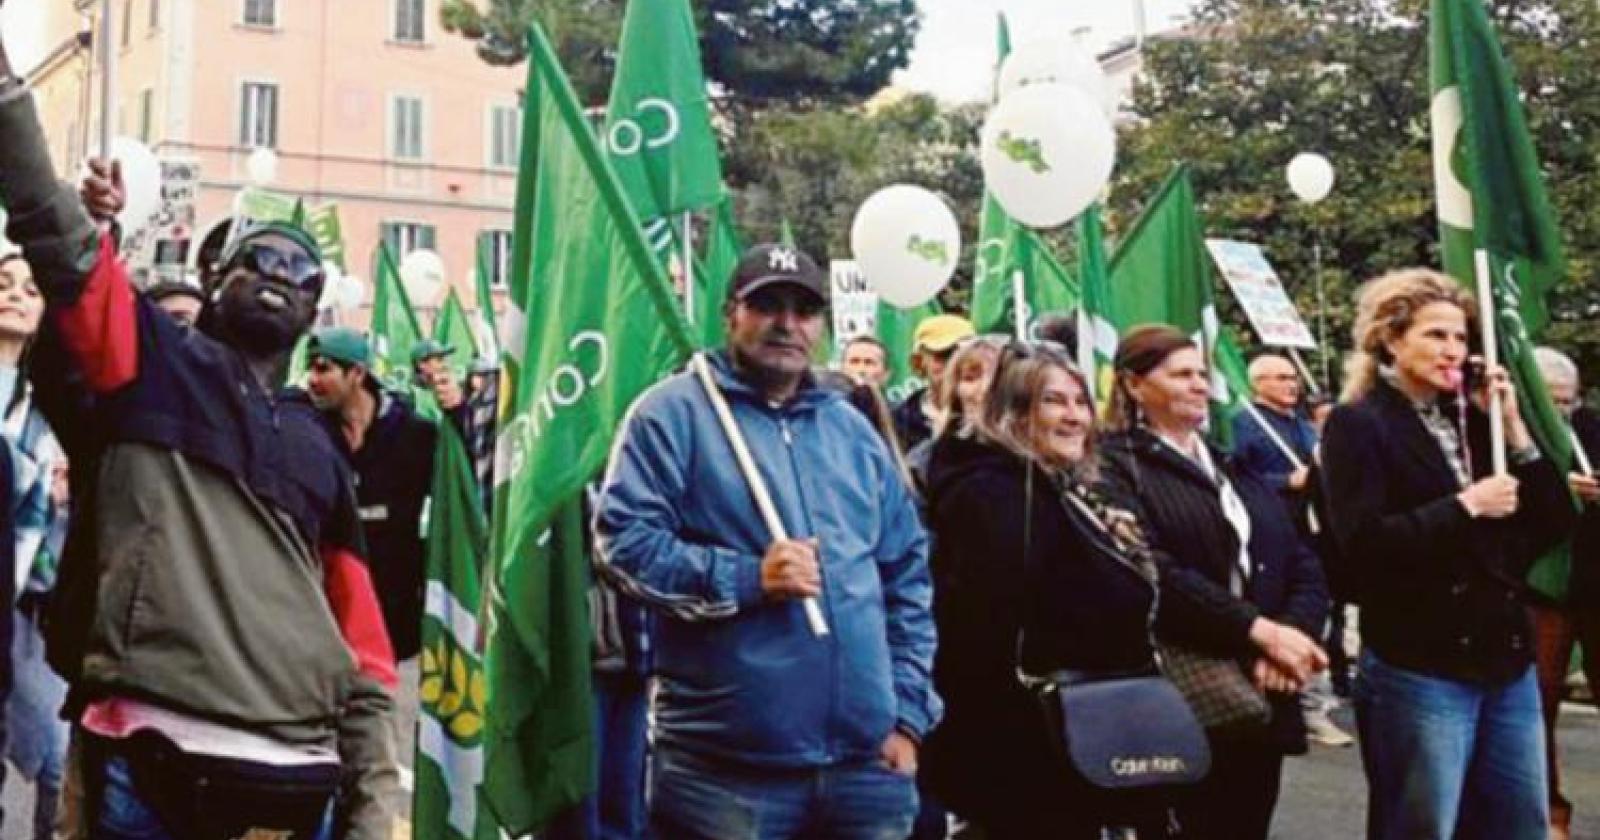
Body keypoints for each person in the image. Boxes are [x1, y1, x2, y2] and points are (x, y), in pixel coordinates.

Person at [0, 56, 398, 839]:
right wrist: (9, 101)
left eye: (302, 271)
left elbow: (365, 648)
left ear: (315, 308)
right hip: (149, 761)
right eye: (261, 258)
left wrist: (375, 808)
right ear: (216, 275)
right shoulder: (152, 360)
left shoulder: (317, 445)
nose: (282, 273)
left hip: (297, 779)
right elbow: (57, 233)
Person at [595, 243, 939, 840]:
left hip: (866, 769)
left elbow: (906, 578)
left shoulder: (850, 431)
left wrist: (907, 716)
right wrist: (746, 578)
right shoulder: (672, 416)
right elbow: (624, 545)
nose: (787, 323)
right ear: (731, 313)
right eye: (767, 306)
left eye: (804, 310)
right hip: (726, 775)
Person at [1320, 269, 1575, 840]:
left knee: (1518, 821)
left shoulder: (1476, 421)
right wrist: (1464, 506)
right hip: (1422, 664)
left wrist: (1513, 430)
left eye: (1460, 338)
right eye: (1436, 335)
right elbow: (1362, 546)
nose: (1453, 350)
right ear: (1391, 338)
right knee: (1422, 825)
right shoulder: (1357, 424)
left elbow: (1554, 521)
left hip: (1504, 660)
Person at [921, 341, 1183, 838]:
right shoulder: (995, 495)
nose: (1074, 417)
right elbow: (985, 628)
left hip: (1075, 734)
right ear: (1014, 414)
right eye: (1053, 401)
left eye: (1080, 402)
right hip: (1029, 750)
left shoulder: (1058, 488)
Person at [1100, 325, 1330, 840]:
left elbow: (1299, 555)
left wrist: (1290, 636)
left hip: (1265, 688)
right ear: (1135, 386)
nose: (1200, 385)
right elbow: (1151, 570)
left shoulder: (1231, 464)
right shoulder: (1114, 466)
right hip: (1187, 691)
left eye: (1201, 374)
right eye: (1181, 374)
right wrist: (1258, 633)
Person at [305, 327, 437, 775]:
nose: (312, 379)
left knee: (382, 758)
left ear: (357, 373)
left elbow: (462, 489)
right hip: (324, 625)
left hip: (394, 629)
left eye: (324, 368)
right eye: (310, 367)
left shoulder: (416, 437)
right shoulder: (309, 433)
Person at [1231, 353, 1354, 748]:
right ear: (1257, 383)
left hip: (1315, 532)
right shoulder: (1244, 424)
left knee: (1322, 616)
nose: (1292, 385)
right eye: (1281, 378)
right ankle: (1296, 707)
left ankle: (1315, 702)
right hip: (1274, 537)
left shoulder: (1303, 427)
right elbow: (1236, 482)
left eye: (1292, 377)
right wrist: (1287, 480)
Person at [0, 244, 69, 840]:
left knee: (55, 755)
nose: (15, 293)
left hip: (21, 609)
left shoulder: (48, 414)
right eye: (3, 280)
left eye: (30, 287)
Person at [1528, 346, 1599, 840]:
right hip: (1541, 589)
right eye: (1550, 402)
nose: (1561, 413)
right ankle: (1549, 812)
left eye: (1567, 402)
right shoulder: (1509, 431)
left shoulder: (1593, 426)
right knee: (1535, 704)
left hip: (1596, 582)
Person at [893, 314, 974, 452]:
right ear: (919, 363)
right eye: (944, 355)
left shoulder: (995, 417)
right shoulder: (899, 421)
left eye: (965, 356)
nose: (955, 365)